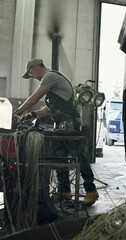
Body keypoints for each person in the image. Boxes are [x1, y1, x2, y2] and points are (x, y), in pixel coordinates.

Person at [13, 58, 99, 206]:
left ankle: (91, 190)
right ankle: (64, 191)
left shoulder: (50, 77)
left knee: (77, 154)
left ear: (37, 67)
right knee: (59, 156)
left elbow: (35, 98)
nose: (32, 76)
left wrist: (18, 111)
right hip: (60, 123)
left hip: (70, 121)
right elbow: (51, 109)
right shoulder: (51, 85)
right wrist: (32, 115)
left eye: (31, 73)